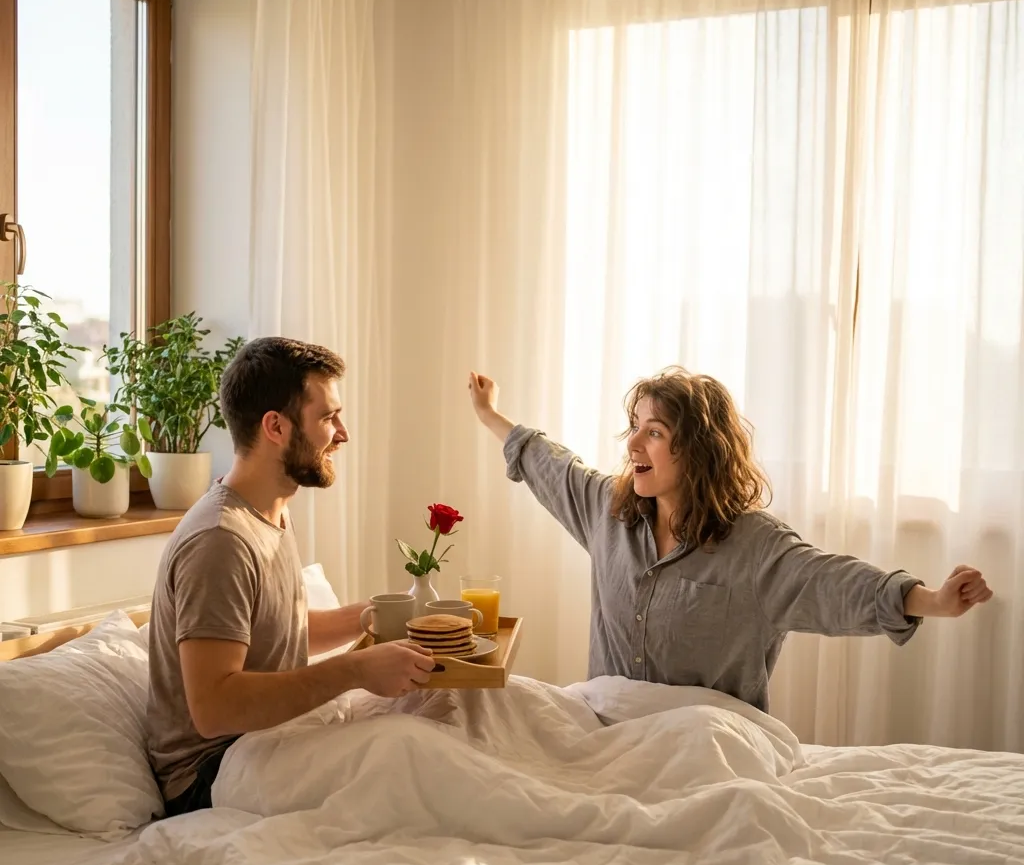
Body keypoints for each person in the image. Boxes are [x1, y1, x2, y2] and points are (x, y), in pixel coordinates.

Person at [468, 367, 993, 711]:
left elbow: (834, 583)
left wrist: (933, 600)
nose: (633, 443)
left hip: (704, 748)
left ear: (698, 451)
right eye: (634, 426)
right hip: (606, 736)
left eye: (655, 431)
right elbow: (551, 463)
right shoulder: (607, 510)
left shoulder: (756, 547)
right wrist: (490, 414)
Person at [146, 337, 435, 816]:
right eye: (328, 418)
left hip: (264, 744)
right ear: (276, 427)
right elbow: (214, 707)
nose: (342, 434)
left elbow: (277, 632)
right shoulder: (220, 540)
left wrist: (375, 615)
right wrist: (355, 670)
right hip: (209, 774)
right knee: (411, 753)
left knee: (442, 717)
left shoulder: (270, 511)